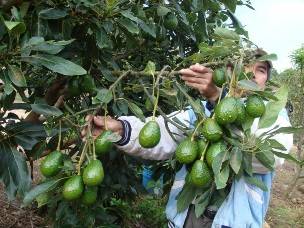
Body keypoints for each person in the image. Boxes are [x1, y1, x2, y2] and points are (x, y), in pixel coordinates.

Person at [82, 50, 293, 228]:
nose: (251, 74)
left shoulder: (271, 115)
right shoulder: (199, 112)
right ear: (228, 73)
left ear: (266, 80)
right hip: (187, 217)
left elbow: (269, 157)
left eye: (261, 70)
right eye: (243, 66)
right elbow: (162, 133)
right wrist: (119, 128)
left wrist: (217, 99)